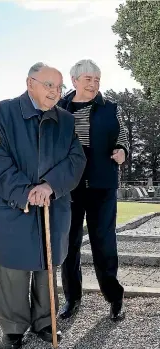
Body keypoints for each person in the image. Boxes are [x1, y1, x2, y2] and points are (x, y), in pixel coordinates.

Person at [0, 62, 86, 349]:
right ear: (30, 84)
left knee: (47, 267)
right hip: (13, 205)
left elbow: (76, 159)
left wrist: (50, 186)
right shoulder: (3, 112)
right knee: (12, 271)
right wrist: (25, 192)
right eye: (48, 84)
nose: (55, 91)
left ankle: (45, 321)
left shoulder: (65, 120)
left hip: (53, 204)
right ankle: (13, 328)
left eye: (59, 86)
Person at [58, 59, 129, 321]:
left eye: (97, 79)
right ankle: (72, 298)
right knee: (69, 244)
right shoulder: (60, 107)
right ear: (74, 80)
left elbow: (122, 136)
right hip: (69, 187)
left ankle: (114, 298)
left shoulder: (111, 107)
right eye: (88, 78)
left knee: (104, 243)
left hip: (102, 185)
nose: (93, 83)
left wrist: (122, 150)